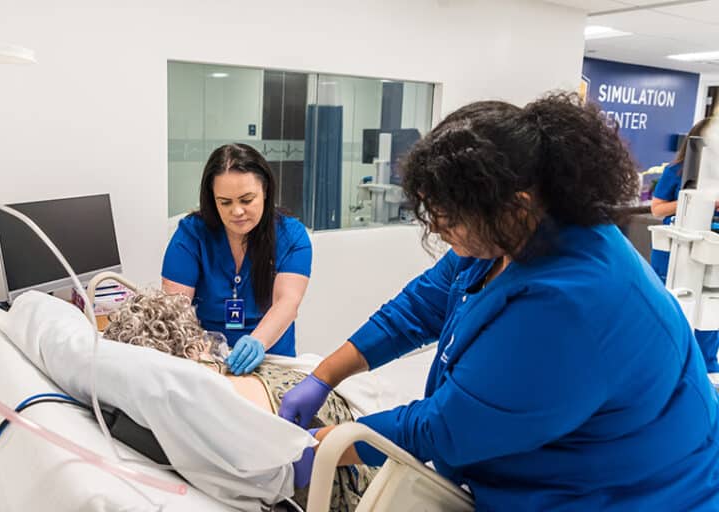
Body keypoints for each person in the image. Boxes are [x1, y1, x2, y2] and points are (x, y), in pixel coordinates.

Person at [279, 93, 719, 510]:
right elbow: (417, 309)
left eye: (448, 220)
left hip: (632, 494)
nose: (438, 232)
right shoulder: (506, 239)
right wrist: (323, 376)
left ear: (517, 205)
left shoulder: (573, 304)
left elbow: (446, 427)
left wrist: (320, 446)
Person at [104, 289, 378, 511]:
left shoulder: (185, 407)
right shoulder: (216, 406)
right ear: (195, 344)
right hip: (358, 470)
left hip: (351, 441)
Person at [162, 144, 312, 375]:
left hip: (272, 359)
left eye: (246, 199)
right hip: (205, 359)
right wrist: (205, 358)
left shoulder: (291, 235)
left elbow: (287, 303)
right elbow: (175, 311)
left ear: (265, 191)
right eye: (225, 202)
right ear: (213, 200)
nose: (237, 211)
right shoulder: (191, 235)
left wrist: (257, 342)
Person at [650, 117, 719, 374]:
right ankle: (668, 365)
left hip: (710, 251)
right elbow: (657, 208)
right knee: (673, 308)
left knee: (709, 310)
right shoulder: (676, 171)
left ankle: (705, 365)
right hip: (675, 250)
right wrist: (695, 203)